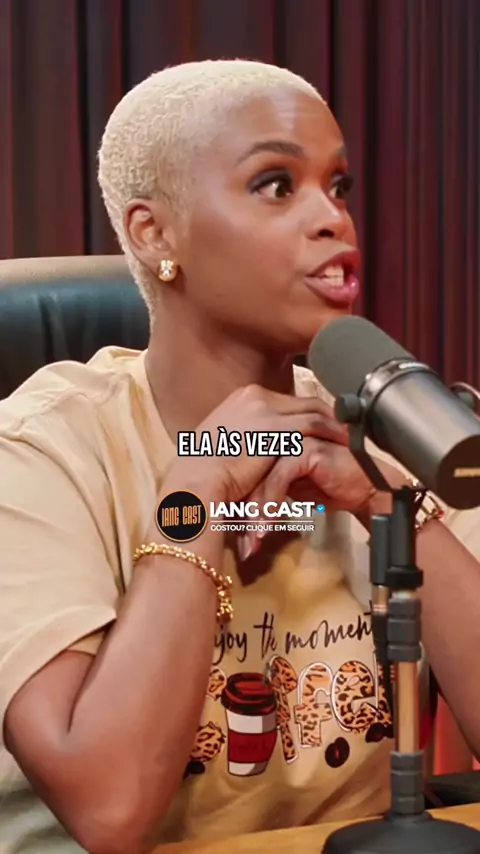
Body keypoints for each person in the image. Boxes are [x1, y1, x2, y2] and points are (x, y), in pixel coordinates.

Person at [0, 59, 479, 854]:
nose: (333, 220)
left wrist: (395, 507)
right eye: (275, 185)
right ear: (155, 234)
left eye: (338, 186)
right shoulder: (40, 451)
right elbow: (109, 811)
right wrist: (195, 495)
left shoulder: (393, 428)